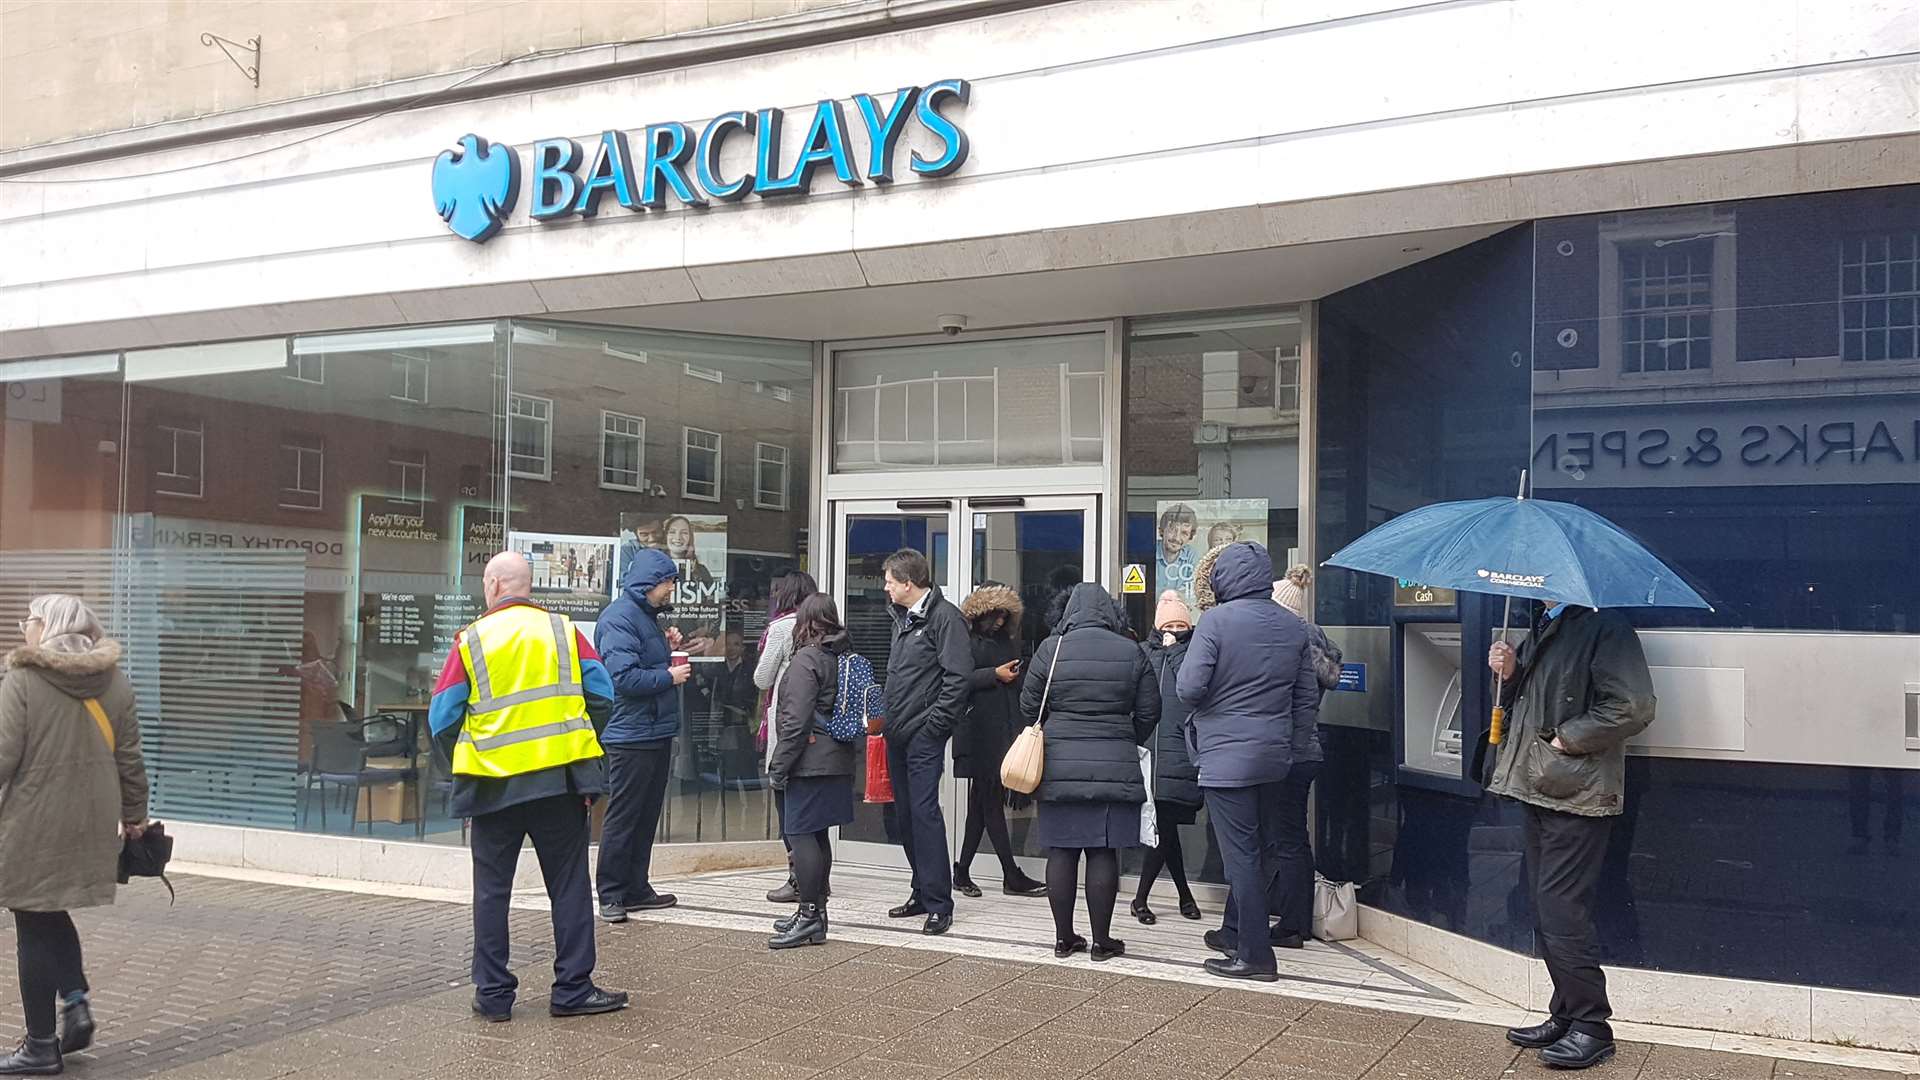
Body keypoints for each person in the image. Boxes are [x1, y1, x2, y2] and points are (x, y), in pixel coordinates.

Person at [429, 553, 627, 1023]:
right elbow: (603, 696)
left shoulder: (471, 639)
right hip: (559, 783)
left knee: (492, 892)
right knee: (570, 887)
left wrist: (460, 763)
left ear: (494, 585)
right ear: (528, 586)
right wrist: (581, 745)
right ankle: (573, 990)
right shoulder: (564, 631)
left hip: (492, 787)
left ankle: (495, 996)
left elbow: (442, 716)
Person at [1487, 600, 1655, 1070]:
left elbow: (1634, 705)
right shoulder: (1545, 626)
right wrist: (1512, 670)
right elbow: (1534, 697)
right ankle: (1563, 1013)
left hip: (1577, 791)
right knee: (1544, 906)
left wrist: (1567, 737)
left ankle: (1592, 1026)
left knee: (1563, 910)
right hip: (1540, 785)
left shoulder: (1605, 628)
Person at [0, 595, 149, 1075]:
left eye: (31, 620)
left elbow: (2, 756)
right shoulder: (115, 683)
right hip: (91, 821)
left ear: (48, 626)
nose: (26, 628)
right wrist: (135, 815)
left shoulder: (22, 679)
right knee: (49, 909)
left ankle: (41, 1045)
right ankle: (77, 999)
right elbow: (130, 759)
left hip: (34, 820)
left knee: (32, 921)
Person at [1176, 542, 1319, 982]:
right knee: (1260, 850)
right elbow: (1305, 699)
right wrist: (1289, 746)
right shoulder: (1293, 626)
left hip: (1226, 758)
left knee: (1240, 857)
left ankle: (1254, 956)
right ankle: (1242, 938)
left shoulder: (1216, 621)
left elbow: (1188, 688)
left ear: (1225, 579)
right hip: (1275, 757)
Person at [1020, 583, 1159, 961]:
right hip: (1114, 765)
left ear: (1068, 612)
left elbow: (1028, 705)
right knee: (1102, 852)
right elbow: (1150, 710)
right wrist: (1122, 738)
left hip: (1059, 765)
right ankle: (1102, 941)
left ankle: (1064, 938)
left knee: (1061, 852)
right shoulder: (1130, 650)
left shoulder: (1053, 648)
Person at [592, 548, 691, 922]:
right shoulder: (619, 619)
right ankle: (612, 894)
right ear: (650, 584)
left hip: (652, 729)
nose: (671, 590)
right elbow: (623, 678)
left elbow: (641, 662)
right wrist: (669, 676)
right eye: (668, 583)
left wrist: (669, 648)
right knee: (624, 814)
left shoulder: (644, 617)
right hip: (629, 734)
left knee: (646, 812)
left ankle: (636, 887)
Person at [879, 548, 970, 936]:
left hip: (923, 734)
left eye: (889, 581)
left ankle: (939, 902)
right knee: (904, 817)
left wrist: (934, 727)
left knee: (924, 814)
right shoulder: (901, 617)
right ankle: (920, 889)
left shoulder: (944, 617)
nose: (885, 587)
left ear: (908, 583)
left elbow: (958, 679)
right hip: (897, 732)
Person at [765, 594, 859, 948]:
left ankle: (808, 915)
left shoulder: (807, 659)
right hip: (836, 759)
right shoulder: (841, 655)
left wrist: (780, 766)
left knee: (801, 834)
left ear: (803, 621)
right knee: (818, 836)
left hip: (809, 762)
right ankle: (816, 916)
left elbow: (796, 721)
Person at [953, 583, 1048, 899]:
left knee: (980, 805)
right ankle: (1010, 874)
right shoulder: (965, 640)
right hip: (978, 731)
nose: (999, 621)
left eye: (1005, 616)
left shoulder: (1006, 641)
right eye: (996, 615)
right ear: (982, 613)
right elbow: (956, 680)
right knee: (988, 802)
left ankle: (962, 871)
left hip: (1002, 730)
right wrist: (994, 674)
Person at [1269, 565, 1344, 946]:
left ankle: (1289, 923)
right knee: (1295, 837)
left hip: (1287, 751)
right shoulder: (1319, 645)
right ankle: (1295, 921)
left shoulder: (1290, 643)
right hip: (1308, 749)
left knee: (1281, 838)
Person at [1132, 590, 1204, 925]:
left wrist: (1174, 651)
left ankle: (1140, 898)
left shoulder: (1195, 654)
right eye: (1168, 625)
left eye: (1180, 624)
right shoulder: (1142, 653)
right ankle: (1183, 896)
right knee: (1164, 829)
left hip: (1178, 755)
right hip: (1147, 754)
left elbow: (1194, 691)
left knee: (1165, 826)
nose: (1174, 630)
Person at [754, 571, 819, 905]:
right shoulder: (824, 623)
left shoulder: (781, 628)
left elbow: (762, 677)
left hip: (787, 725)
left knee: (787, 809)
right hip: (816, 731)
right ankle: (818, 879)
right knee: (813, 813)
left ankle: (797, 880)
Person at [1155, 504, 1199, 605]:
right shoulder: (1151, 551)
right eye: (1172, 530)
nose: (1176, 538)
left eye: (1184, 533)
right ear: (1162, 530)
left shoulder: (1191, 556)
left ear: (1190, 537)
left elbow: (1191, 594)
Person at [664, 515, 715, 587]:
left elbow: (711, 596)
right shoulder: (655, 567)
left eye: (684, 533)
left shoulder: (701, 571)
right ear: (666, 536)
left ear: (690, 537)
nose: (678, 537)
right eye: (672, 532)